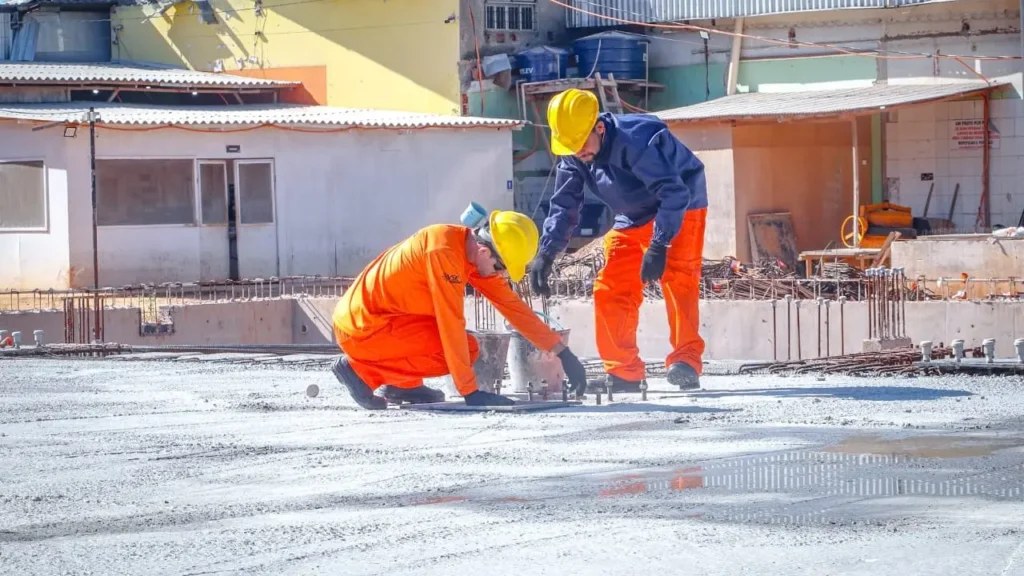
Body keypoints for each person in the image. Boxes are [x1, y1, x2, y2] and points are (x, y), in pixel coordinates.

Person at [528, 88, 708, 392]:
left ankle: (686, 361)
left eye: (581, 144)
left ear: (599, 127)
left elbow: (673, 192)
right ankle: (624, 372)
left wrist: (659, 243)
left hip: (680, 203)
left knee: (679, 280)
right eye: (570, 147)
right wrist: (546, 253)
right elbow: (564, 205)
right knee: (611, 287)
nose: (578, 152)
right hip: (631, 214)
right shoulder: (575, 155)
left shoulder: (636, 142)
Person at [330, 210, 590, 410]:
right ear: (486, 251)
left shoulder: (467, 251)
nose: (500, 275)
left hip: (386, 323)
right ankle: (358, 371)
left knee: (468, 347)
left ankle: (403, 385)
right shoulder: (443, 253)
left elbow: (513, 308)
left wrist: (562, 352)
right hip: (363, 328)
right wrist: (470, 393)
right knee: (462, 347)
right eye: (501, 268)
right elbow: (450, 323)